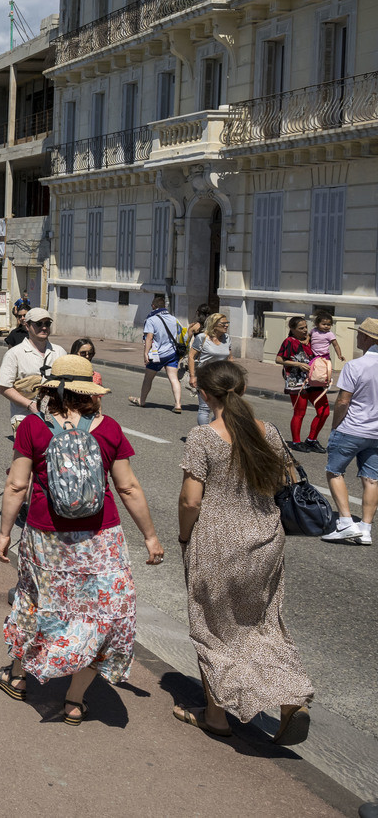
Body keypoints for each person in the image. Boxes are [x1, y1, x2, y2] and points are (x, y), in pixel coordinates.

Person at [0, 354, 163, 726]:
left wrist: (4, 533)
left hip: (46, 536)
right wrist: (150, 537)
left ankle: (19, 677)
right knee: (100, 615)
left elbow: (17, 484)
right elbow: (129, 487)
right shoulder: (109, 428)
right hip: (101, 538)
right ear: (89, 392)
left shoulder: (32, 426)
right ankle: (74, 700)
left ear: (51, 389)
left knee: (37, 603)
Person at [174, 361, 314, 743]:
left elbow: (190, 501)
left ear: (204, 393)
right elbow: (283, 479)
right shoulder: (267, 431)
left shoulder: (203, 436)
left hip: (218, 542)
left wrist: (185, 538)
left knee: (213, 628)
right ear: (244, 388)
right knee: (261, 624)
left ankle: (216, 715)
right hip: (266, 539)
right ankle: (291, 696)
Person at [321, 316, 378, 545]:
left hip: (352, 428)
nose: (356, 336)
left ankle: (345, 522)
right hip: (376, 432)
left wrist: (335, 427)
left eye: (359, 333)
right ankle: (366, 528)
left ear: (366, 337)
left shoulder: (355, 366)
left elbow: (343, 401)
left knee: (334, 471)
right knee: (372, 479)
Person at [0, 308, 66, 429]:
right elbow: (4, 387)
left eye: (47, 324)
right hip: (25, 418)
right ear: (27, 326)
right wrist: (30, 405)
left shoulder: (60, 352)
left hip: (57, 418)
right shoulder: (14, 354)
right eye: (39, 324)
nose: (44, 327)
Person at [276, 317, 324, 450]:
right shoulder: (289, 341)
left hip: (315, 379)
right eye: (301, 328)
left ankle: (311, 440)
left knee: (324, 411)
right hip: (296, 381)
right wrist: (298, 364)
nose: (305, 330)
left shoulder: (313, 338)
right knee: (300, 412)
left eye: (306, 327)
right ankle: (296, 442)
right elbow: (278, 359)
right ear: (292, 329)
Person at [131, 298, 184, 413]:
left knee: (148, 379)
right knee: (174, 379)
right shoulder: (173, 319)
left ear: (154, 306)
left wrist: (145, 353)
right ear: (164, 306)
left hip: (157, 355)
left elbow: (149, 337)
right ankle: (178, 404)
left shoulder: (151, 319)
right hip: (172, 354)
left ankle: (142, 401)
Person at [187, 313, 233, 425]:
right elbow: (191, 356)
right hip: (205, 377)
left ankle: (213, 431)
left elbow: (230, 358)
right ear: (214, 324)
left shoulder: (227, 338)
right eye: (223, 323)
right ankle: (204, 435)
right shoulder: (202, 338)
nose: (226, 325)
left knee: (222, 408)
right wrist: (192, 376)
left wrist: (234, 375)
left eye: (227, 323)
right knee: (205, 408)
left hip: (222, 378)